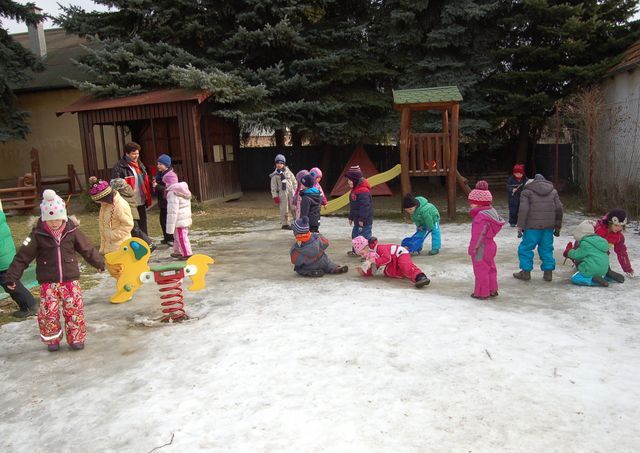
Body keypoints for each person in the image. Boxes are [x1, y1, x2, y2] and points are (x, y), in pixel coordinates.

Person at [5, 189, 105, 351]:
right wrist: (12, 276)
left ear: (63, 216)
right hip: (48, 281)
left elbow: (87, 248)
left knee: (74, 310)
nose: (54, 223)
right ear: (44, 218)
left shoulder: (72, 231)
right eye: (50, 220)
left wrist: (99, 263)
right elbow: (23, 256)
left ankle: (76, 338)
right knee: (48, 313)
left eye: (57, 219)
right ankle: (52, 339)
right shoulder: (37, 234)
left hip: (70, 280)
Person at [513, 174, 563, 282]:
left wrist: (520, 226)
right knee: (547, 249)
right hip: (548, 227)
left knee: (526, 248)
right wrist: (557, 226)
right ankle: (548, 273)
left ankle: (526, 272)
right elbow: (559, 209)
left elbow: (523, 210)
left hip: (531, 227)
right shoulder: (553, 192)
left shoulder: (526, 192)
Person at [467, 181, 505, 299]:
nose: (470, 205)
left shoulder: (480, 217)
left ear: (479, 204)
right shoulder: (491, 213)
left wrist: (472, 249)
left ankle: (481, 292)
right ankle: (492, 289)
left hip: (481, 248)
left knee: (480, 270)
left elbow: (478, 236)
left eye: (472, 202)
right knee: (490, 268)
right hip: (490, 245)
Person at [0, 204, 37, 318]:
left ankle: (29, 305)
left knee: (11, 284)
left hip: (2, 260)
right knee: (10, 283)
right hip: (6, 256)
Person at [352, 236, 430, 288]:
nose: (362, 256)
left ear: (366, 247)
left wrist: (374, 260)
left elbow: (387, 258)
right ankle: (406, 273)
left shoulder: (379, 248)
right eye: (360, 255)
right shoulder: (370, 256)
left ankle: (420, 277)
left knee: (405, 266)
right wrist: (365, 272)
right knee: (388, 272)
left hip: (401, 253)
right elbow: (374, 269)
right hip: (393, 260)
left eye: (362, 253)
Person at [111, 142, 152, 234]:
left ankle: (145, 240)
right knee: (133, 225)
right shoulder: (119, 167)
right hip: (128, 201)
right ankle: (136, 241)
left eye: (137, 153)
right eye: (133, 154)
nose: (136, 156)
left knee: (143, 222)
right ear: (127, 153)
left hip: (141, 198)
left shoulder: (140, 164)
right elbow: (115, 186)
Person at [108, 178, 155, 252]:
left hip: (130, 214)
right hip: (132, 213)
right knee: (135, 231)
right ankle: (141, 247)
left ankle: (149, 244)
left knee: (136, 231)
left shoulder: (121, 194)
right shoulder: (126, 190)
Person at [89, 179, 134, 255]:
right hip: (110, 246)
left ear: (106, 197)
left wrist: (111, 235)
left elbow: (128, 224)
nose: (100, 203)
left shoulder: (120, 206)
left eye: (100, 201)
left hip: (120, 247)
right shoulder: (105, 205)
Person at [563, 220, 610, 287]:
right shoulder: (601, 241)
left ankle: (593, 280)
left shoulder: (585, 243)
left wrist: (569, 250)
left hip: (591, 269)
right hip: (604, 269)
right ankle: (606, 278)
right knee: (596, 267)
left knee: (575, 278)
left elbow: (576, 255)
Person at [594, 208, 634, 280]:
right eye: (616, 225)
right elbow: (585, 244)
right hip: (584, 254)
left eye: (621, 226)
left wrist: (628, 269)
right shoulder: (598, 229)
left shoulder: (618, 237)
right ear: (610, 223)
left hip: (600, 259)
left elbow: (622, 253)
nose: (618, 228)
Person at [163, 171, 193, 259]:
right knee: (177, 236)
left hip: (179, 219)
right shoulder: (183, 189)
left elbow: (172, 211)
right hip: (184, 217)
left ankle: (187, 253)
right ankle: (177, 251)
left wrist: (170, 226)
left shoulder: (172, 193)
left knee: (181, 237)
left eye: (165, 183)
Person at [346, 165, 373, 255]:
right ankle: (356, 251)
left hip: (365, 221)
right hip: (357, 220)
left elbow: (365, 207)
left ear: (355, 180)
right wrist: (351, 217)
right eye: (348, 180)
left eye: (350, 180)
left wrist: (362, 219)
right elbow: (353, 206)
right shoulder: (354, 191)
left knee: (364, 237)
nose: (348, 182)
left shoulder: (363, 191)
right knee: (355, 236)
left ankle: (367, 254)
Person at [152, 154, 174, 246]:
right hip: (162, 202)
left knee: (168, 221)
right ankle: (166, 237)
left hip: (169, 202)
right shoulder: (160, 174)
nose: (158, 166)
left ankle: (171, 238)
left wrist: (157, 186)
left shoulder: (170, 175)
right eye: (158, 164)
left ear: (166, 165)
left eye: (161, 164)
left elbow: (169, 188)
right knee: (162, 220)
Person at [269, 154, 296, 229]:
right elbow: (273, 187)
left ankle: (297, 220)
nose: (279, 165)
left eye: (281, 163)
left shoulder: (288, 172)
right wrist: (275, 196)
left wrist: (296, 191)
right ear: (275, 164)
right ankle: (285, 224)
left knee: (294, 206)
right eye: (277, 163)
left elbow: (294, 181)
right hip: (282, 193)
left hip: (291, 192)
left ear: (284, 164)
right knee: (284, 208)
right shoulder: (274, 175)